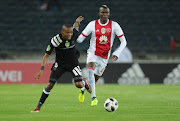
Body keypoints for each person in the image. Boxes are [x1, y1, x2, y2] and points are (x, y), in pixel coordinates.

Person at [31, 16, 90, 112]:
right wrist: (41, 70)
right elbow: (46, 55)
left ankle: (83, 83)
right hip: (60, 64)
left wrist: (77, 21)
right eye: (67, 32)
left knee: (78, 84)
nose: (70, 34)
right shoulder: (55, 40)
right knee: (50, 85)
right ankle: (38, 107)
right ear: (62, 32)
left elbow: (75, 27)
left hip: (73, 63)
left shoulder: (74, 34)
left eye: (70, 32)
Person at [77, 5, 127, 107]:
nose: (104, 14)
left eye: (106, 13)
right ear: (99, 13)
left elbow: (123, 41)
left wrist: (117, 52)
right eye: (103, 12)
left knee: (94, 81)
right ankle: (94, 98)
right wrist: (74, 32)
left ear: (109, 14)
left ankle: (83, 87)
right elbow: (80, 39)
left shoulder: (114, 25)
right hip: (93, 53)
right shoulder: (92, 24)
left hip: (104, 57)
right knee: (91, 70)